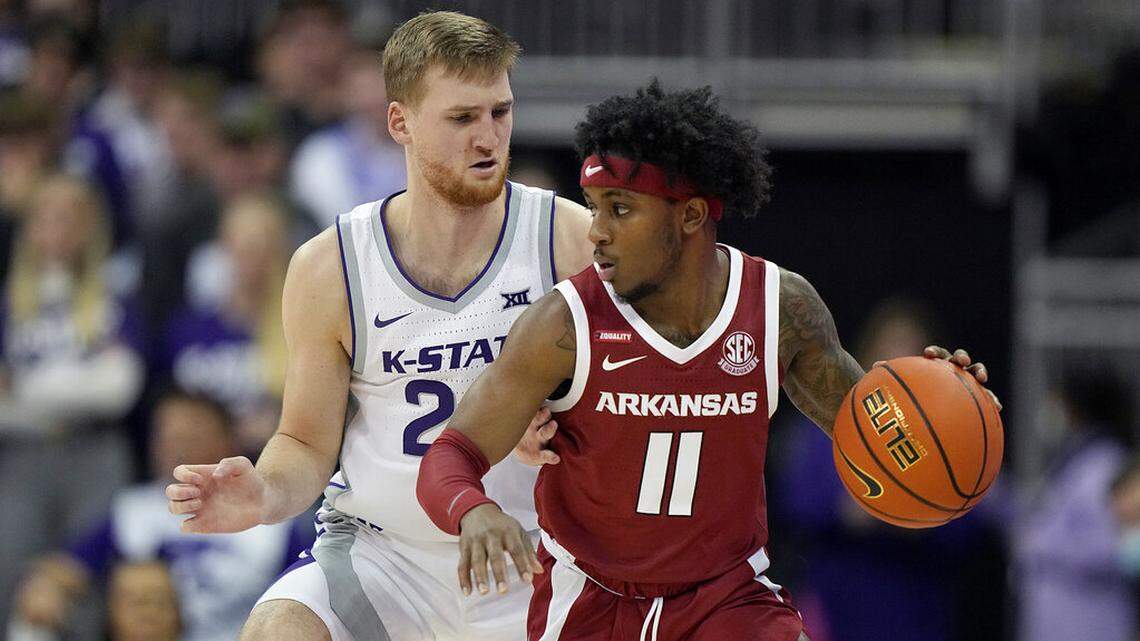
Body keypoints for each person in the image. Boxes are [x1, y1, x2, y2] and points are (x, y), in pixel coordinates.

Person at [415, 81, 997, 641]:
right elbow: (450, 455)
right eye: (594, 207)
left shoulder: (781, 309)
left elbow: (873, 435)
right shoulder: (563, 325)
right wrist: (473, 511)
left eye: (620, 209)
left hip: (727, 601)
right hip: (593, 601)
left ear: (690, 216)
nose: (596, 232)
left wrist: (941, 406)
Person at [165, 11, 594, 641]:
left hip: (534, 555)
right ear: (400, 122)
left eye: (499, 112)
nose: (488, 138)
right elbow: (307, 444)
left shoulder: (569, 240)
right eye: (461, 118)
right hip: (385, 558)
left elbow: (642, 401)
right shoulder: (328, 266)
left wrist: (574, 428)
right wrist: (261, 492)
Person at [10, 389, 310, 641]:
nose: (176, 445)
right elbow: (65, 568)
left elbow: (311, 592)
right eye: (167, 435)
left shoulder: (273, 518)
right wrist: (45, 586)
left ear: (228, 442)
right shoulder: (133, 511)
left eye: (190, 434)